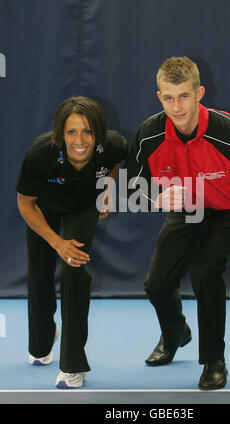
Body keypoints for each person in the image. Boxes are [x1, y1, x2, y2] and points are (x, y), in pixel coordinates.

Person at [124, 56, 230, 390]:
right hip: (189, 206)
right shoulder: (148, 135)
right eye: (168, 98)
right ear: (159, 97)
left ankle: (214, 360)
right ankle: (175, 333)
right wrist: (157, 200)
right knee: (156, 284)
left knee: (204, 271)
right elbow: (132, 187)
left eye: (184, 96)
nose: (177, 106)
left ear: (199, 93)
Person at [16, 96, 127, 388]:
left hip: (83, 207)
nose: (80, 140)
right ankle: (43, 339)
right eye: (71, 132)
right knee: (40, 277)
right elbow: (26, 205)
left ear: (98, 134)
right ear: (60, 134)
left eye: (88, 131)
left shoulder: (111, 145)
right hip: (44, 208)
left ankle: (74, 365)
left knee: (73, 267)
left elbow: (115, 163)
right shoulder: (41, 153)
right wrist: (55, 242)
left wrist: (108, 188)